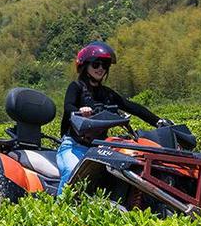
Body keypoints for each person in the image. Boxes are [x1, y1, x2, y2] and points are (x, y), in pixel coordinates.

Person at [55, 41, 165, 194]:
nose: (100, 68)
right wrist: (80, 110)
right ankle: (61, 207)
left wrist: (158, 121)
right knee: (73, 170)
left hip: (99, 149)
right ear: (85, 66)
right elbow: (68, 107)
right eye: (96, 64)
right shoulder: (76, 87)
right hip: (73, 146)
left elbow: (131, 106)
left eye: (104, 65)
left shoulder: (107, 94)